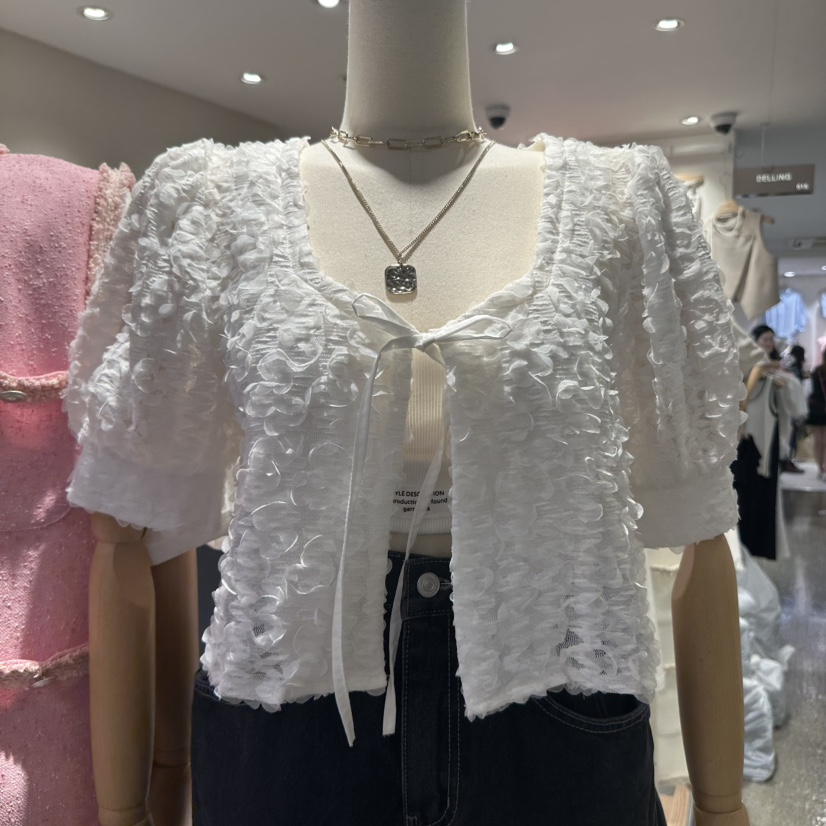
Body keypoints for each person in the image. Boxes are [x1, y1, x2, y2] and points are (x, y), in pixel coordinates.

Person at [807, 348, 826, 480]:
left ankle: (820, 467)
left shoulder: (816, 371)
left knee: (818, 441)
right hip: (821, 409)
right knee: (823, 441)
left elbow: (814, 391)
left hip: (816, 409)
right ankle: (823, 466)